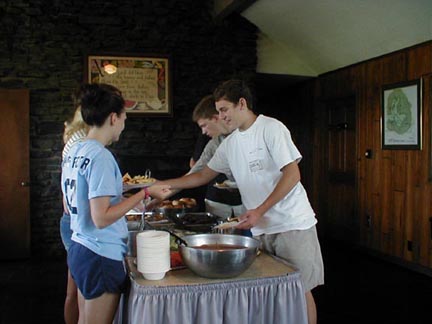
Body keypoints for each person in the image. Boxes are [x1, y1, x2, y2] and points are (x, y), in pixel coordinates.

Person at [158, 80, 324, 324]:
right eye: (219, 111)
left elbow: (292, 174)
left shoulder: (271, 128)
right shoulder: (231, 143)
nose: (221, 116)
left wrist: (259, 211)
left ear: (242, 104)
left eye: (224, 109)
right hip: (261, 227)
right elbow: (203, 175)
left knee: (300, 290)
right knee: (273, 292)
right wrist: (164, 186)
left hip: (292, 224)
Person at [61, 83, 171, 324]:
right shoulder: (101, 156)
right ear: (113, 117)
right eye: (124, 118)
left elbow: (76, 205)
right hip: (100, 253)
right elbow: (101, 218)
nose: (123, 124)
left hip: (80, 248)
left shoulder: (75, 151)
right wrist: (143, 192)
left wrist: (143, 201)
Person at [189, 95, 244, 219]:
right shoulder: (214, 143)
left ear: (215, 118)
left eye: (204, 126)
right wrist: (164, 189)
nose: (203, 132)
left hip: (250, 203)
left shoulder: (249, 133)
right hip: (217, 199)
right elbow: (196, 172)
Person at [61, 105, 89, 324]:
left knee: (74, 287)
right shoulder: (83, 144)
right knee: (79, 291)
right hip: (76, 222)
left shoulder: (73, 140)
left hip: (69, 218)